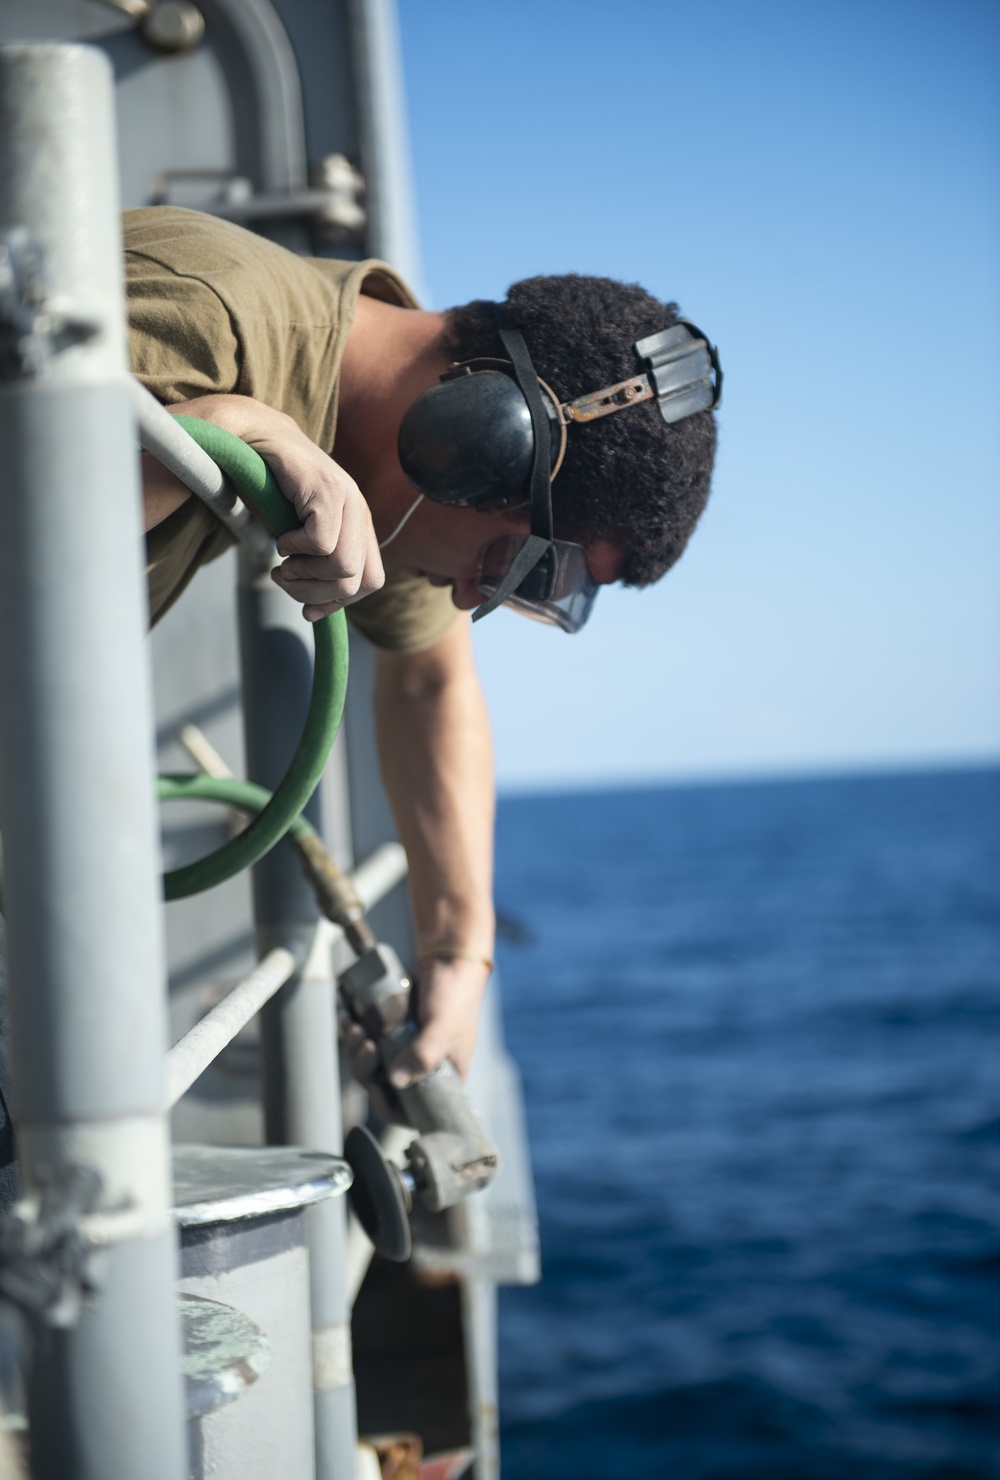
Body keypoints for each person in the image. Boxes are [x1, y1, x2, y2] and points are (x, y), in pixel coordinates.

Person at [129, 205, 718, 1109]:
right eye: (521, 562)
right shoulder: (206, 313)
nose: (481, 598)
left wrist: (459, 950)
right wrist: (220, 426)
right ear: (479, 435)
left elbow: (429, 680)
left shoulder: (385, 473)